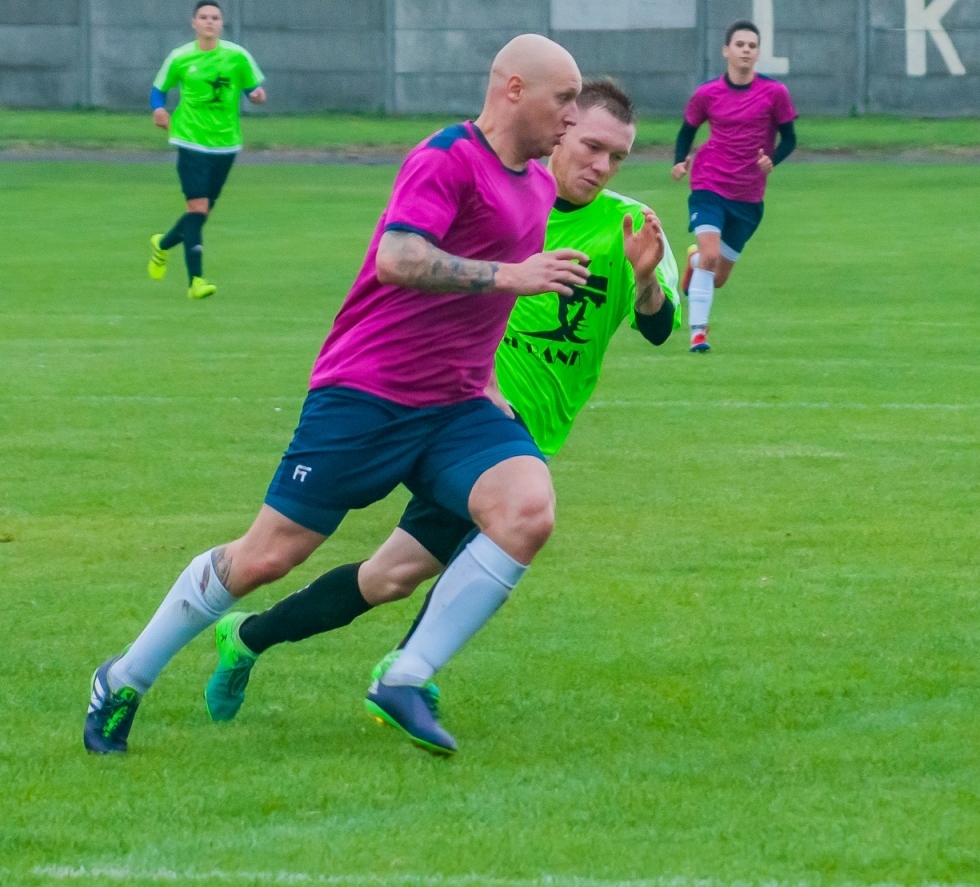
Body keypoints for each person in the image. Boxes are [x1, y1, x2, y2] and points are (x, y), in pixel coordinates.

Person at [85, 34, 588, 757]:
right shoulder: (447, 158)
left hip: (452, 407)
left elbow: (486, 306)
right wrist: (512, 276)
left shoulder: (537, 184)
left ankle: (404, 677)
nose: (572, 118)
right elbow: (398, 257)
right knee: (264, 559)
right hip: (367, 394)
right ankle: (124, 677)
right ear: (513, 89)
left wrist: (488, 382)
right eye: (563, 98)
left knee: (527, 508)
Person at [200, 80, 679, 742]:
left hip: (516, 439)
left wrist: (647, 279)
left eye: (618, 157)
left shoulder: (631, 225)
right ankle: (407, 677)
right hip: (450, 419)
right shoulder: (501, 198)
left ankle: (247, 638)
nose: (601, 166)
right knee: (393, 560)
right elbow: (410, 264)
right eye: (591, 146)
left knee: (388, 577)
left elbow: (659, 328)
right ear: (557, 128)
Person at [671, 19, 797, 353]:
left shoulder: (774, 94)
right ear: (727, 50)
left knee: (718, 276)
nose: (746, 50)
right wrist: (680, 160)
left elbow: (790, 138)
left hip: (749, 195)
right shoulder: (707, 93)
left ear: (757, 54)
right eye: (740, 44)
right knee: (712, 253)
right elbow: (688, 129)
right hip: (709, 183)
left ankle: (696, 262)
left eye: (752, 46)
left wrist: (773, 159)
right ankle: (698, 333)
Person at [146, 0, 268, 300]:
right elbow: (158, 90)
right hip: (189, 139)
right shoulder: (180, 57)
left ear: (221, 23)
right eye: (203, 17)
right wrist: (159, 109)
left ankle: (162, 245)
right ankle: (196, 281)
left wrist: (256, 95)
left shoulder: (237, 56)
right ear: (194, 23)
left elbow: (252, 88)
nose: (209, 22)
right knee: (197, 209)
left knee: (200, 214)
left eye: (214, 17)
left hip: (225, 143)